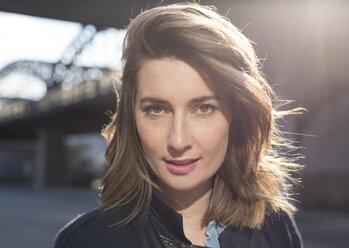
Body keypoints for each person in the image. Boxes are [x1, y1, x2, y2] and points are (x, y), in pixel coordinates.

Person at [54, 3, 303, 248]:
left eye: (204, 108)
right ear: (132, 119)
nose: (178, 141)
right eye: (156, 110)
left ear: (237, 116)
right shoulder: (87, 241)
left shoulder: (274, 227)